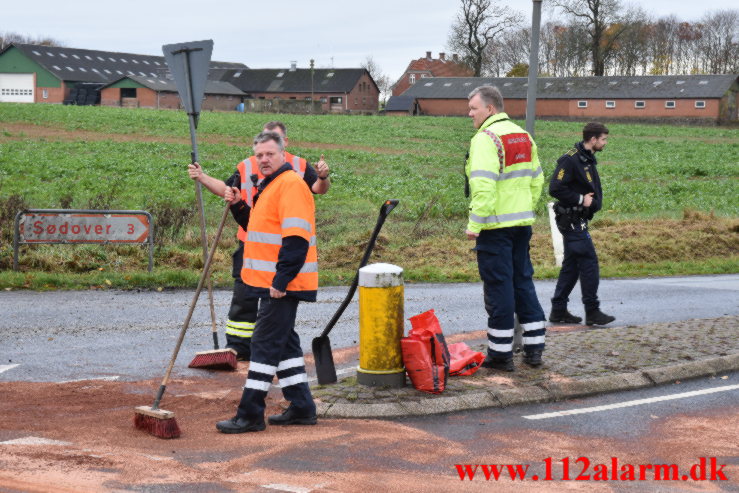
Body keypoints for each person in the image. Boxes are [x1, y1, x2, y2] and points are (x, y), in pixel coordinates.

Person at [188, 121, 329, 360]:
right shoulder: (246, 165)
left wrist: (324, 176)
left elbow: (319, 188)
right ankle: (238, 348)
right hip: (251, 241)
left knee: (278, 305)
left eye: (273, 142)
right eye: (262, 143)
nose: (265, 153)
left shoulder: (298, 166)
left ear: (285, 144)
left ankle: (270, 355)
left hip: (282, 247)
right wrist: (202, 178)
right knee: (245, 297)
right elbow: (227, 188)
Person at [216, 131, 318, 433]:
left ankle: (249, 414)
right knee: (284, 345)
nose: (263, 159)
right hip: (270, 282)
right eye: (259, 155)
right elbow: (256, 227)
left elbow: (297, 238)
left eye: (269, 154)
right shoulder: (269, 186)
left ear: (283, 155)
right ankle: (302, 407)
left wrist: (282, 279)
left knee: (263, 343)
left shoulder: (290, 186)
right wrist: (238, 205)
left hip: (282, 284)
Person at [465, 85, 547, 371]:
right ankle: (534, 349)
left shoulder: (486, 139)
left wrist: (475, 224)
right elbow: (537, 180)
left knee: (499, 288)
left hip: (494, 227)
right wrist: (524, 207)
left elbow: (484, 186)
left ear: (490, 108)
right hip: (521, 225)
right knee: (523, 283)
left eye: (474, 108)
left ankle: (500, 356)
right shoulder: (523, 136)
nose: (470, 114)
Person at [549, 122, 615, 326]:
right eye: (603, 139)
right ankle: (592, 310)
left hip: (579, 219)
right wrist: (580, 200)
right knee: (589, 262)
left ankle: (558, 311)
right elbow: (555, 188)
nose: (605, 143)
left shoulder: (586, 158)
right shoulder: (570, 160)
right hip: (572, 221)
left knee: (572, 266)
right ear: (593, 139)